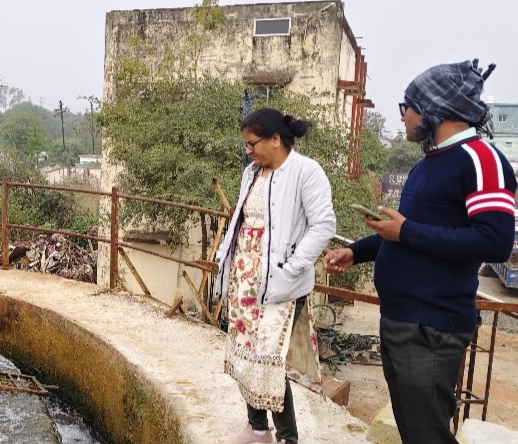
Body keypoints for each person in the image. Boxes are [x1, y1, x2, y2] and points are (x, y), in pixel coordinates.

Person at [323, 59, 515, 444]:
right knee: (413, 431)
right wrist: (357, 252)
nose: (403, 116)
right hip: (402, 318)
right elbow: (407, 235)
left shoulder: (481, 159)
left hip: (432, 327)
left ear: (433, 109)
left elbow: (494, 241)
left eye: (406, 107)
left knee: (427, 435)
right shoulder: (428, 164)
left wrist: (406, 230)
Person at [216, 108, 336, 444]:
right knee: (245, 353)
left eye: (252, 144)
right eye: (246, 144)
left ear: (275, 139)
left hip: (282, 284)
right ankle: (257, 429)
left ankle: (287, 438)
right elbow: (241, 220)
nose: (248, 151)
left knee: (270, 360)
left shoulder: (306, 172)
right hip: (245, 279)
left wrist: (294, 265)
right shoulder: (252, 173)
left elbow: (324, 224)